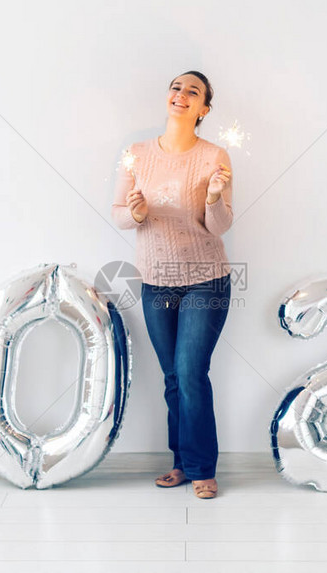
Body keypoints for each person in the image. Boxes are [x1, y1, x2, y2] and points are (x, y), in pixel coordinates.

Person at [110, 71, 234, 499]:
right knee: (173, 378)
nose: (181, 95)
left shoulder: (214, 156)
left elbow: (219, 227)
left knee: (190, 371)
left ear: (204, 109)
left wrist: (215, 197)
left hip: (205, 281)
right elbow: (120, 216)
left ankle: (202, 467)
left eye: (193, 92)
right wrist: (138, 212)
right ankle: (181, 462)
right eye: (176, 87)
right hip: (156, 283)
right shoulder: (136, 154)